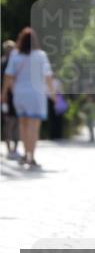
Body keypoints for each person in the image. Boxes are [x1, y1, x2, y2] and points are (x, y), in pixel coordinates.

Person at [1, 28, 56, 168]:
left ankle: (26, 154)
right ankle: (31, 156)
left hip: (19, 94)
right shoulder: (41, 55)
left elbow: (8, 76)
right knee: (34, 127)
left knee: (23, 125)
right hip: (36, 95)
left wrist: (4, 93)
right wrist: (53, 94)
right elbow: (48, 77)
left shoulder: (15, 56)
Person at [1, 40, 21, 160]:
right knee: (10, 122)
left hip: (13, 96)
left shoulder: (15, 62)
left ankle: (13, 149)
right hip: (7, 96)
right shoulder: (4, 63)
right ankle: (10, 149)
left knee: (14, 123)